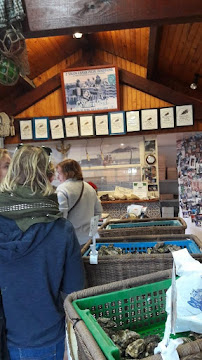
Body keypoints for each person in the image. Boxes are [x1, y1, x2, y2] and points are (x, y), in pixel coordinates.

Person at [0, 145, 84, 360]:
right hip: (45, 335)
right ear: (48, 177)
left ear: (11, 172)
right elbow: (74, 288)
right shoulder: (62, 230)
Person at [56, 159, 102, 246]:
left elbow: (61, 218)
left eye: (59, 173)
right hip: (89, 239)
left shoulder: (62, 189)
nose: (57, 177)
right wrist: (91, 232)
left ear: (67, 173)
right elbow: (98, 212)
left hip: (71, 240)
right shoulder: (89, 188)